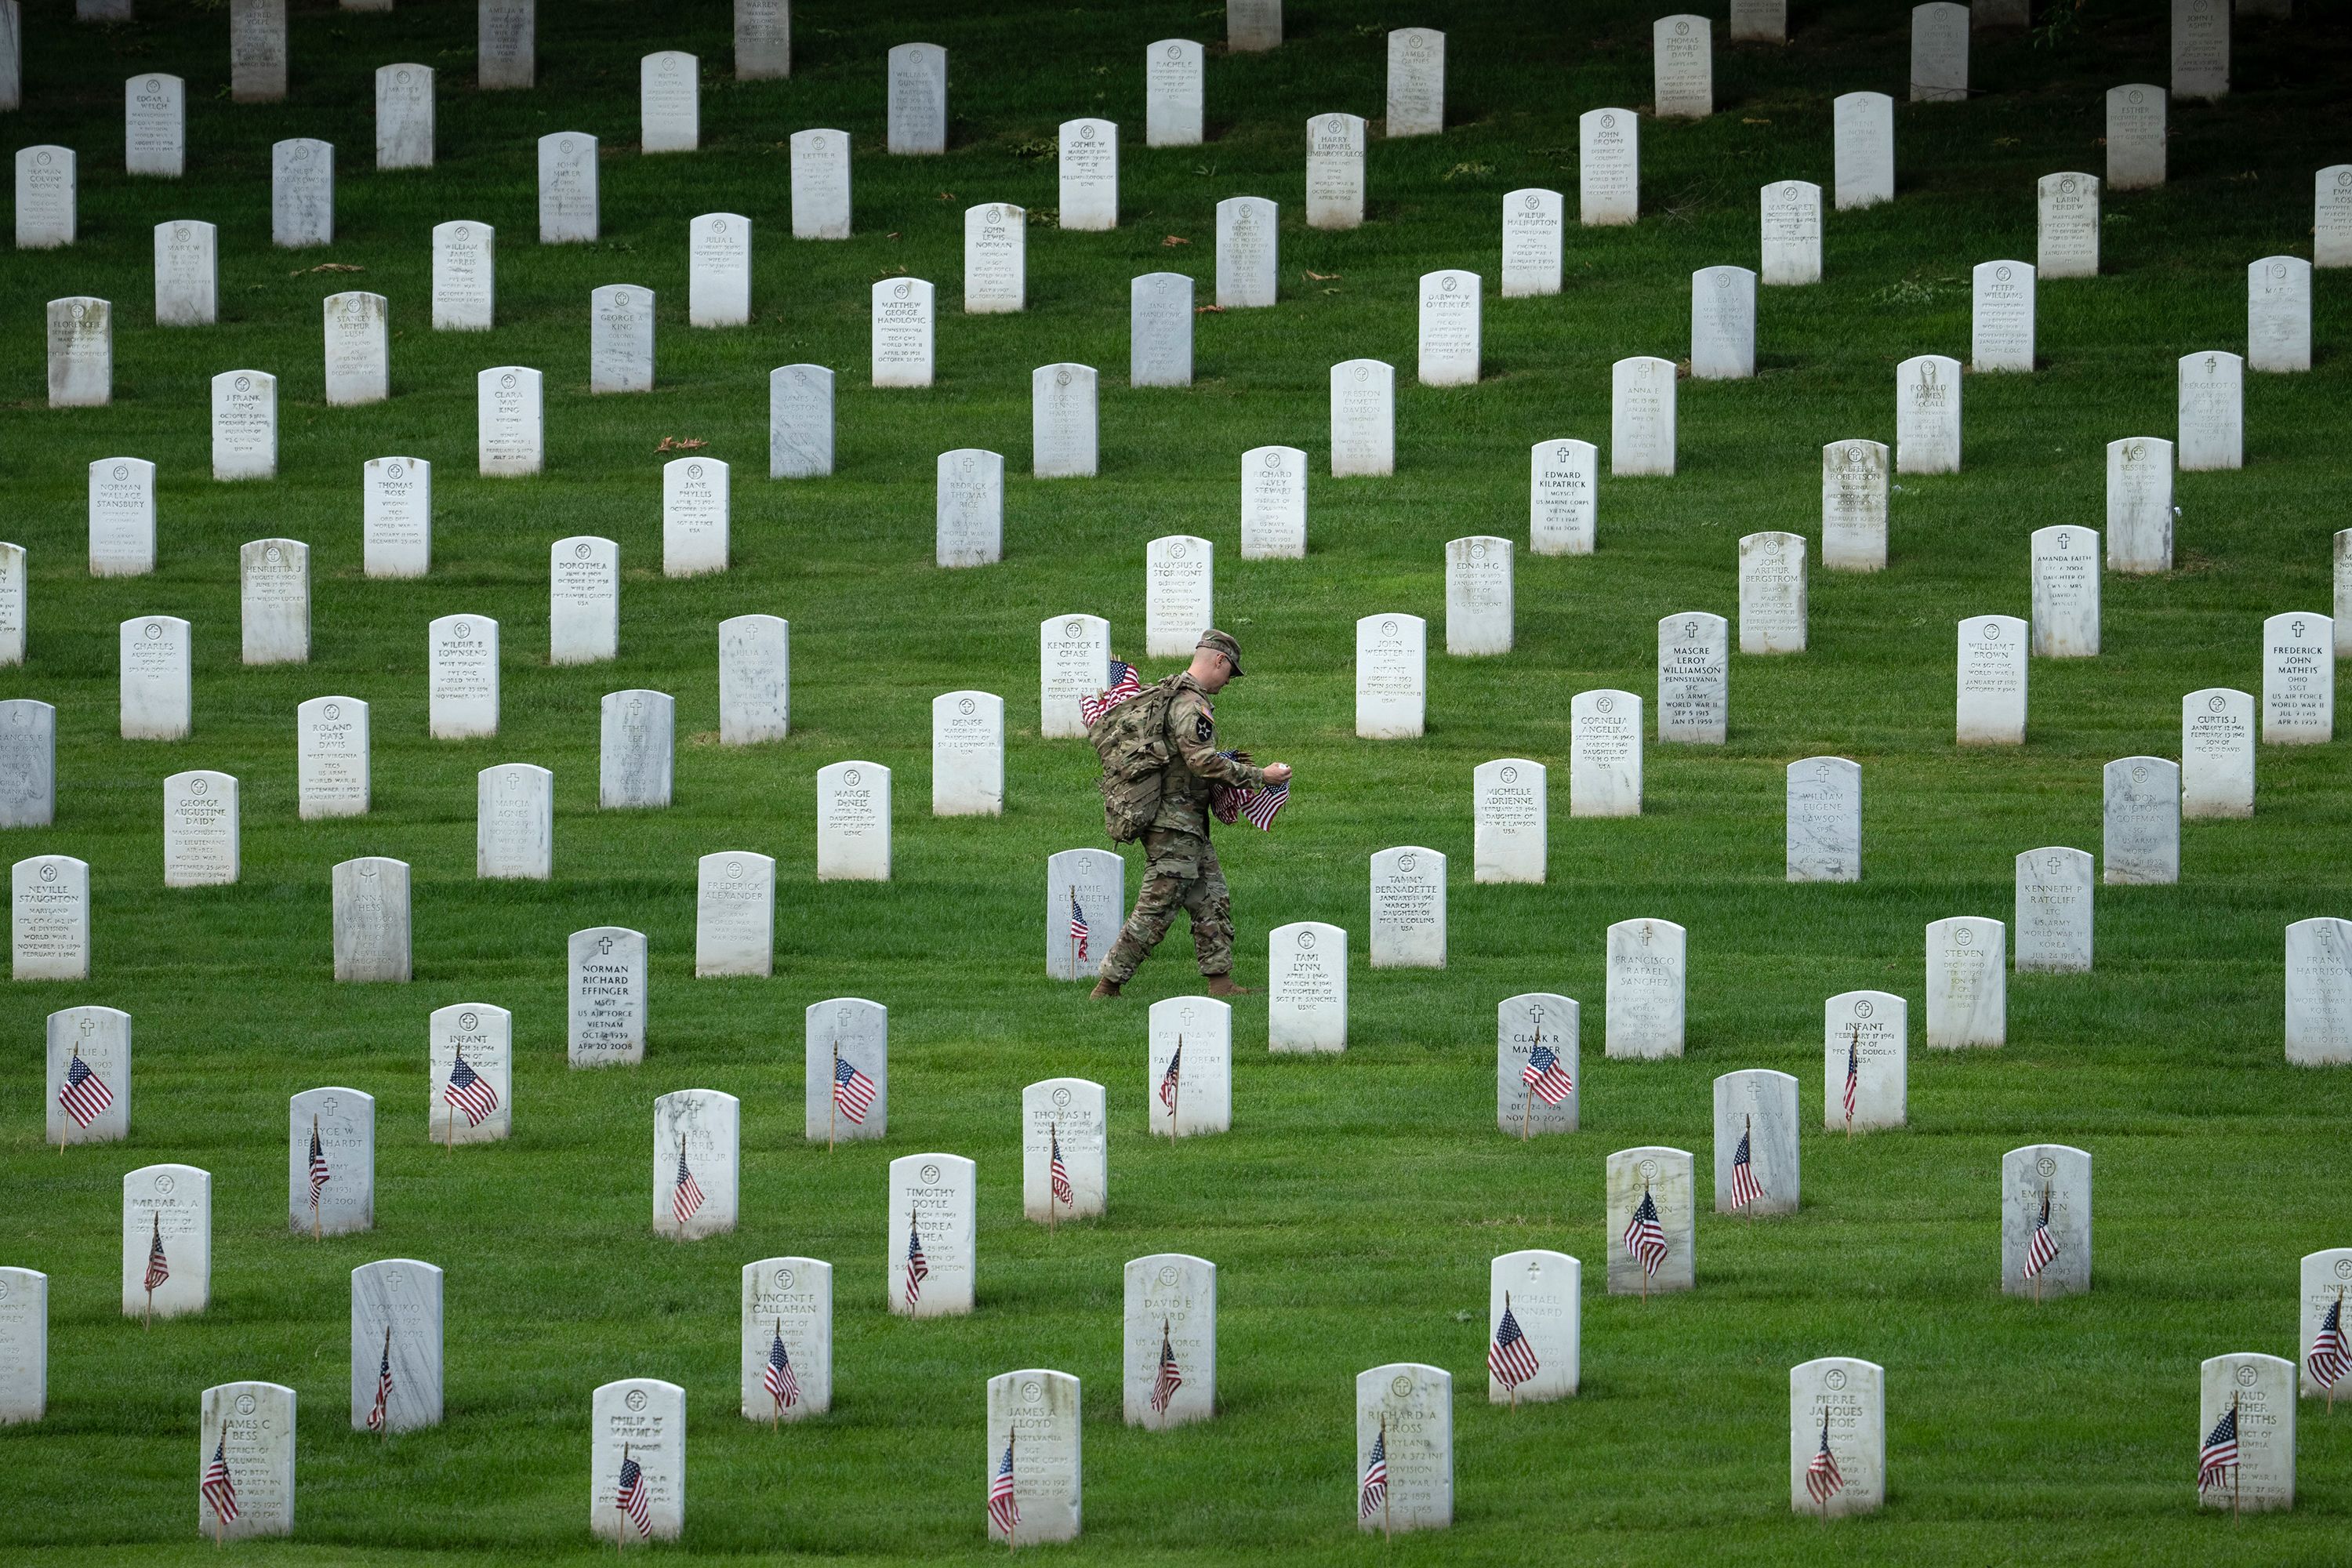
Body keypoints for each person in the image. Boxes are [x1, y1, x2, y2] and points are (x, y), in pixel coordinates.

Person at [1091, 630, 1292, 999]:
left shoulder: (1175, 695)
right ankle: (1108, 986)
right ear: (1218, 660)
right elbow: (1201, 761)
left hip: (1187, 824)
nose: (1229, 681)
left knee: (1212, 900)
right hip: (1172, 825)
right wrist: (1259, 776)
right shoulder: (1189, 703)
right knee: (1158, 906)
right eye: (1230, 672)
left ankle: (1221, 983)